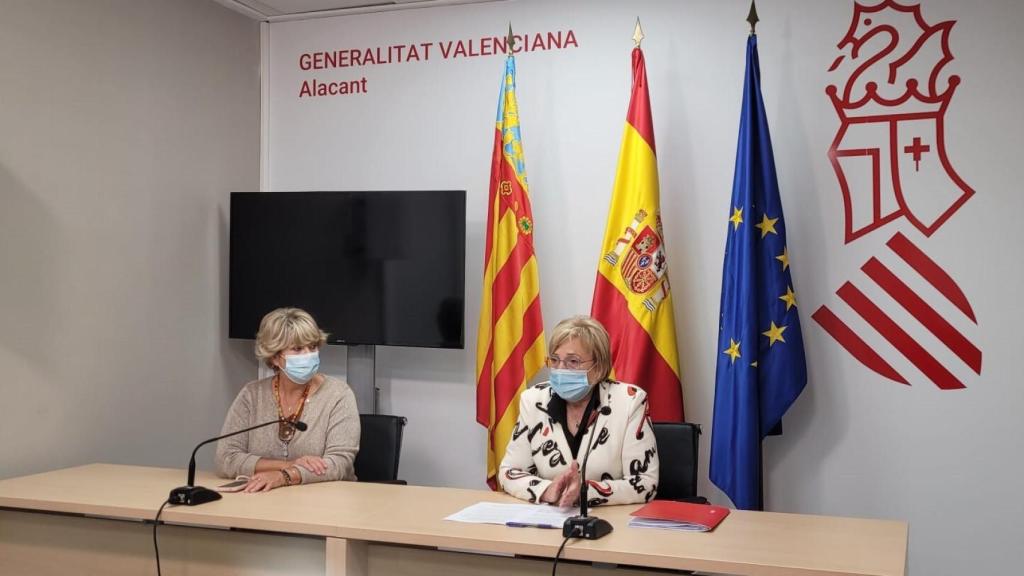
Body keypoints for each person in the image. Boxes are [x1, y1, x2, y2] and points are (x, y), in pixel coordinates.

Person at [499, 315, 659, 507]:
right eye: (555, 360)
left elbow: (645, 482)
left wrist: (584, 492)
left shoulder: (629, 401)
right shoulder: (534, 400)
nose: (560, 369)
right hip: (549, 521)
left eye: (573, 361)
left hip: (611, 523)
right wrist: (547, 490)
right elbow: (509, 472)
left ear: (598, 368)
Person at [216, 307, 360, 492]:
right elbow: (226, 458)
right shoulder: (252, 395)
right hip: (264, 501)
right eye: (298, 349)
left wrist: (285, 476)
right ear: (275, 357)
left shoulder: (338, 394)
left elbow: (339, 464)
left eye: (313, 346)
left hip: (326, 502)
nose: (309, 354)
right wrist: (289, 464)